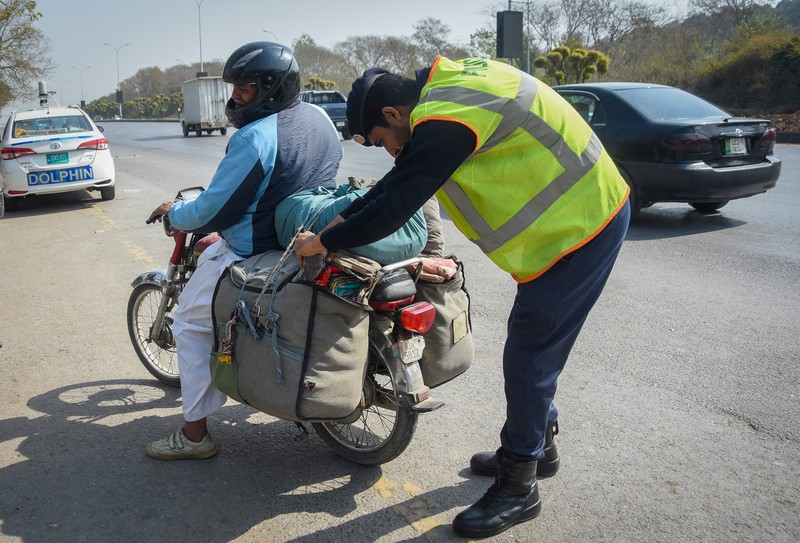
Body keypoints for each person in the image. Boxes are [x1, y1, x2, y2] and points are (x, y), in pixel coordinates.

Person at [294, 56, 630, 539]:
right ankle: (539, 447)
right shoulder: (445, 91)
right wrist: (335, 226)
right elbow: (394, 183)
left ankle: (520, 485)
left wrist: (326, 243)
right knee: (533, 353)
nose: (389, 151)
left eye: (383, 141)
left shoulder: (446, 118)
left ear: (392, 114)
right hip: (571, 225)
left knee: (529, 359)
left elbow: (395, 202)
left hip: (583, 228)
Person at [144, 41, 342, 461]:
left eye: (245, 89)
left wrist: (176, 213)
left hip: (253, 253)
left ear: (272, 87)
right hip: (310, 240)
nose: (235, 97)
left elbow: (211, 210)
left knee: (187, 325)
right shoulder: (320, 117)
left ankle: (195, 436)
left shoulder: (254, 138)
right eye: (235, 88)